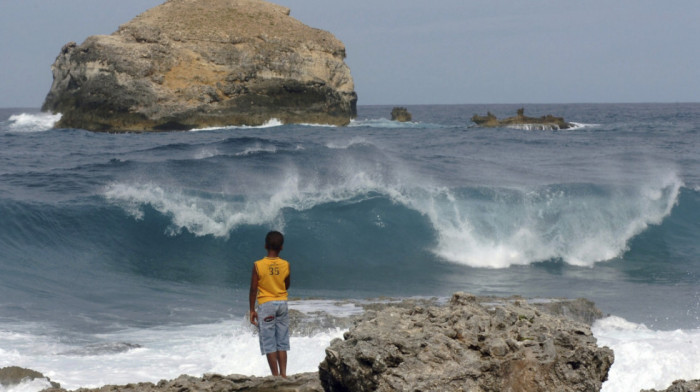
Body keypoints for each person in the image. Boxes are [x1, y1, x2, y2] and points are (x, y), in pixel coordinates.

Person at [249, 230, 291, 377]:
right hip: (282, 304)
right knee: (282, 340)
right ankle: (284, 375)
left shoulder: (258, 265)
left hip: (266, 305)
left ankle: (275, 376)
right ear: (282, 247)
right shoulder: (286, 264)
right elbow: (286, 285)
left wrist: (252, 310)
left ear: (266, 245)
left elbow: (253, 289)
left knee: (269, 341)